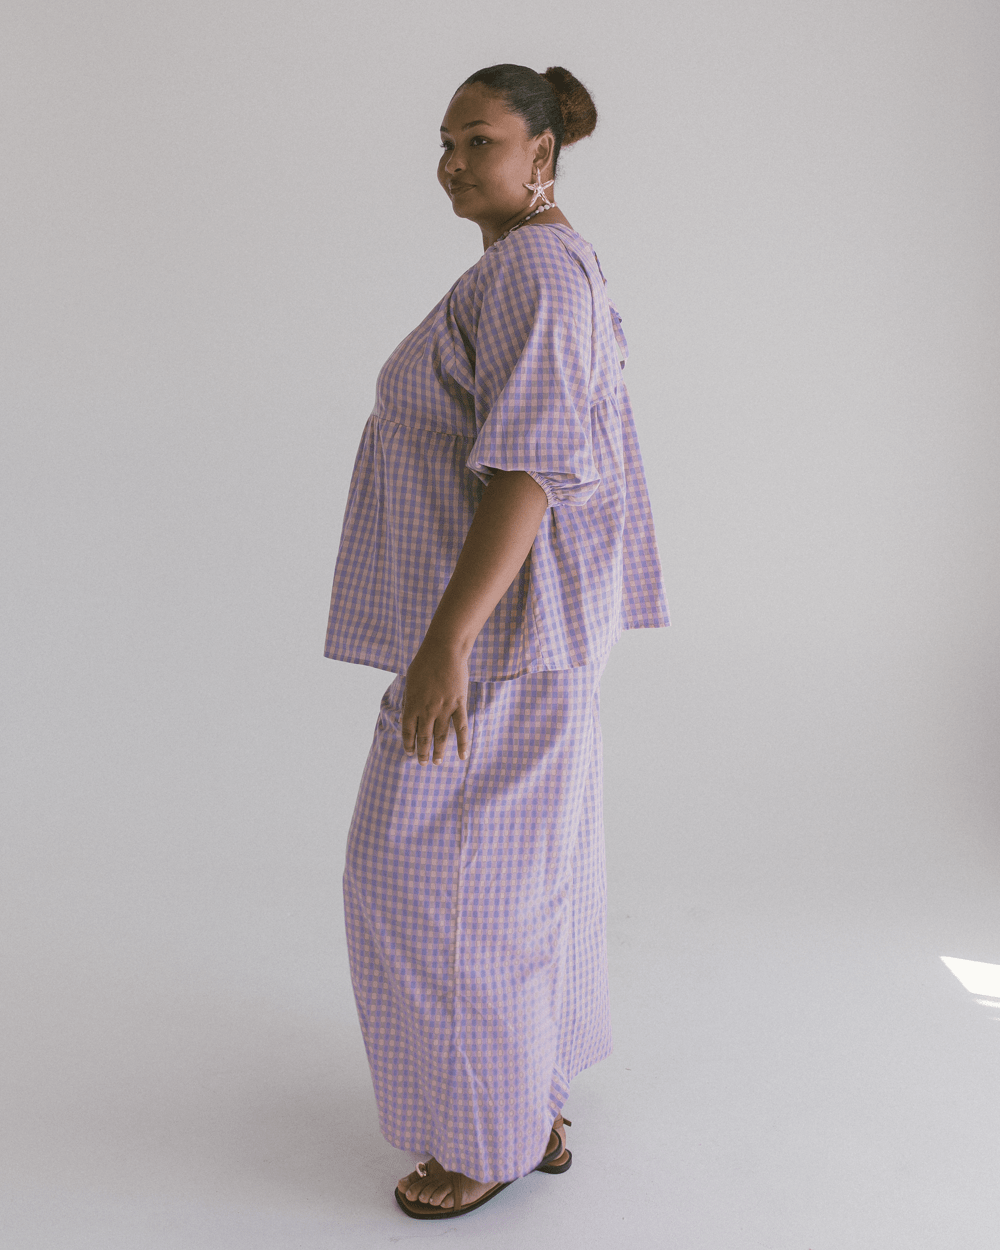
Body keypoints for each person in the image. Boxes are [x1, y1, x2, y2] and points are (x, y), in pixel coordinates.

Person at [323, 62, 669, 1220]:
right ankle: (530, 1107)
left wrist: (448, 643)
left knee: (427, 887)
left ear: (542, 154)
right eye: (446, 141)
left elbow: (529, 468)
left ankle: (484, 1137)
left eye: (480, 139)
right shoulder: (538, 266)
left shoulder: (533, 272)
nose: (454, 162)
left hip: (504, 637)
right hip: (528, 632)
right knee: (514, 880)